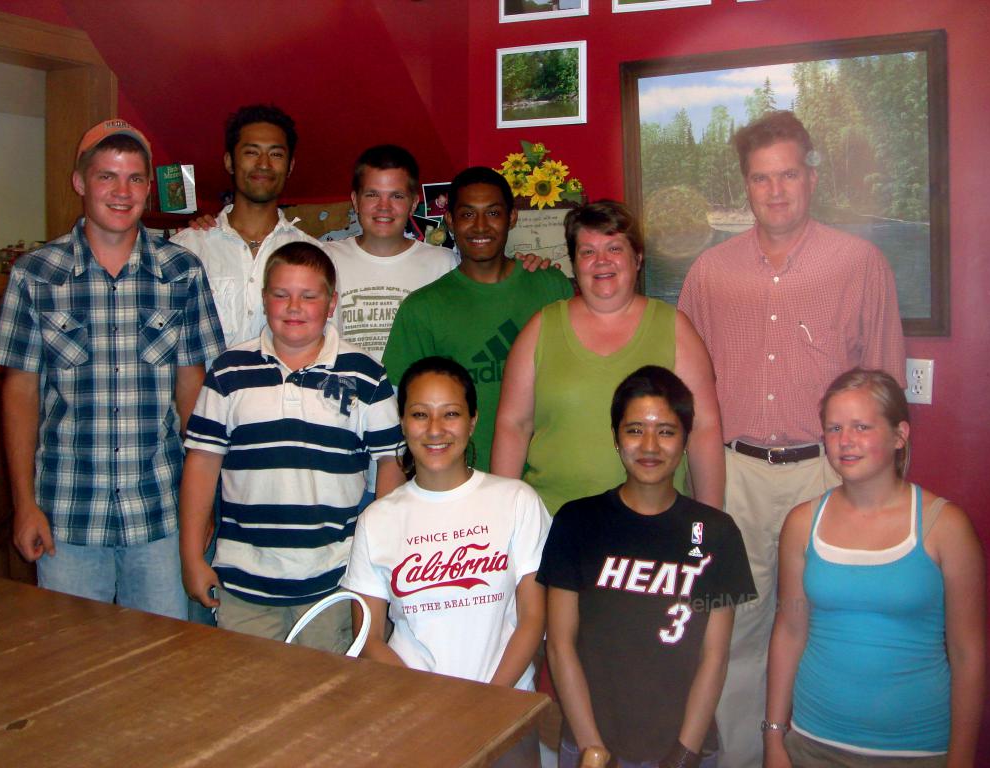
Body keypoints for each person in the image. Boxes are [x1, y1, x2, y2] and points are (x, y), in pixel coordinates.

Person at [676, 111, 906, 768]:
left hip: (831, 476)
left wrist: (886, 490)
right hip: (736, 476)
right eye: (760, 178)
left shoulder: (859, 263)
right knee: (734, 631)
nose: (776, 191)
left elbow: (886, 385)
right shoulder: (709, 273)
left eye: (788, 175)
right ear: (744, 185)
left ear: (811, 175)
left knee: (830, 631)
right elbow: (686, 394)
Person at [0, 119, 224, 618]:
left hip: (161, 515)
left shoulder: (182, 273)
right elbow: (21, 394)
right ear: (80, 181)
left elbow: (193, 393)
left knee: (161, 666)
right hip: (68, 517)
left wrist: (203, 507)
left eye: (135, 178)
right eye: (106, 176)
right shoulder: (35, 275)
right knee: (74, 670)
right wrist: (24, 503)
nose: (122, 192)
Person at [178, 242, 404, 650]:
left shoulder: (367, 375)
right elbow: (201, 464)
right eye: (281, 295)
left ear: (332, 303)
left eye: (309, 296)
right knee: (250, 700)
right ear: (264, 300)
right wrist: (192, 557)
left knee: (325, 701)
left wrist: (378, 559)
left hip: (334, 581)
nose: (293, 307)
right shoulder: (229, 371)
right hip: (244, 581)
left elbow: (389, 465)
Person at [538, 366, 755, 768]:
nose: (650, 445)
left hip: (685, 749)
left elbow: (716, 656)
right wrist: (592, 749)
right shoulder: (576, 522)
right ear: (615, 438)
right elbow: (560, 644)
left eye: (667, 431)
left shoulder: (717, 533)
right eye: (635, 430)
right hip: (592, 745)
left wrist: (685, 753)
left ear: (686, 439)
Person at [765, 369, 984, 767]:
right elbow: (789, 631)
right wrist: (773, 737)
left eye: (861, 427)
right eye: (833, 428)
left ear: (899, 435)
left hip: (916, 750)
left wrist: (962, 757)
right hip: (813, 745)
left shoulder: (946, 527)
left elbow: (968, 653)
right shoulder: (802, 523)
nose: (845, 441)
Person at [341, 355, 550, 767]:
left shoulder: (515, 501)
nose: (435, 429)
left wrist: (486, 704)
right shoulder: (378, 518)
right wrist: (429, 705)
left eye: (450, 414)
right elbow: (368, 635)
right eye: (420, 414)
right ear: (403, 422)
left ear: (473, 421)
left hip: (504, 713)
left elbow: (533, 619)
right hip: (414, 720)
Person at [491, 200, 723, 515]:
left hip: (652, 522)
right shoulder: (540, 328)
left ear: (637, 258)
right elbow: (513, 425)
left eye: (614, 249)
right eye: (587, 252)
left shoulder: (675, 328)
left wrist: (709, 519)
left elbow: (705, 427)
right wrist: (500, 517)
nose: (601, 262)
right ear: (574, 262)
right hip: (553, 522)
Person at [383, 167, 574, 472]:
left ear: (512, 217)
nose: (481, 227)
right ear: (450, 221)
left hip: (550, 478)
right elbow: (399, 411)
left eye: (494, 213)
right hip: (461, 482)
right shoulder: (422, 308)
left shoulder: (551, 286)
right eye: (468, 215)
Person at [172, 104, 327, 349]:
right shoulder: (187, 249)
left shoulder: (313, 254)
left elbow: (327, 345)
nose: (264, 164)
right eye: (251, 152)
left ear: (290, 166)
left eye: (276, 154)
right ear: (229, 162)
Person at [321, 145, 457, 359]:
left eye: (397, 196)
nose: (383, 207)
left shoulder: (443, 263)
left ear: (413, 204)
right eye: (373, 195)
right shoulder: (325, 258)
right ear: (356, 201)